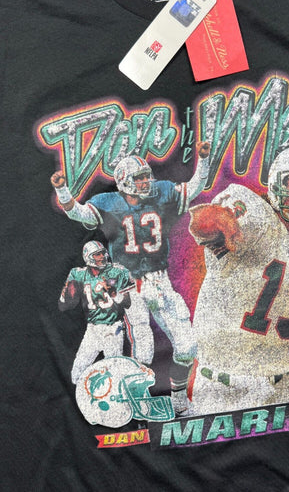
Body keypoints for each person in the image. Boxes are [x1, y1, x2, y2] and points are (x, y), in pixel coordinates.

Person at [188, 145, 289, 415]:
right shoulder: (251, 212)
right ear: (276, 183)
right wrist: (219, 220)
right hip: (220, 389)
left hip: (281, 388)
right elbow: (201, 221)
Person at [51, 142, 210, 415]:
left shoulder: (161, 192)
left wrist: (204, 159)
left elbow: (194, 188)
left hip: (160, 281)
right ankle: (140, 403)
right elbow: (77, 212)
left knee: (187, 345)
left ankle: (179, 400)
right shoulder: (108, 203)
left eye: (147, 176)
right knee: (143, 347)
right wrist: (63, 190)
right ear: (125, 181)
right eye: (140, 178)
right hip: (129, 285)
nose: (146, 182)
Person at [58, 241, 135, 384]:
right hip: (92, 329)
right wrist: (67, 294)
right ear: (88, 257)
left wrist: (113, 293)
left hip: (114, 328)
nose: (102, 257)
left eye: (103, 253)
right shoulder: (78, 274)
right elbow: (63, 306)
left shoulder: (117, 272)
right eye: (97, 254)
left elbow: (127, 303)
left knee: (115, 374)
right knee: (76, 374)